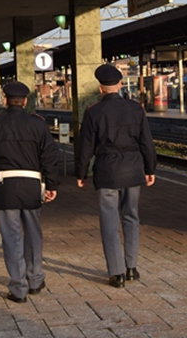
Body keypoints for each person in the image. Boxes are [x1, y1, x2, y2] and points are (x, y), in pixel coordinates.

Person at [0, 81, 60, 303]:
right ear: (26, 101)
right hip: (31, 187)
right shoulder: (38, 125)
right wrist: (52, 185)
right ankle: (36, 279)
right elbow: (50, 157)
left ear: (5, 100)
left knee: (11, 238)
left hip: (5, 187)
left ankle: (18, 288)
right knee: (33, 233)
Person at [75, 64, 157, 288]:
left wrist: (81, 172)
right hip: (132, 170)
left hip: (107, 171)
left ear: (101, 88)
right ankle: (132, 267)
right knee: (131, 217)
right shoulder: (135, 109)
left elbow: (85, 147)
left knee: (109, 222)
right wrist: (150, 169)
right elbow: (146, 142)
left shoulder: (93, 112)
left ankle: (116, 273)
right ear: (120, 85)